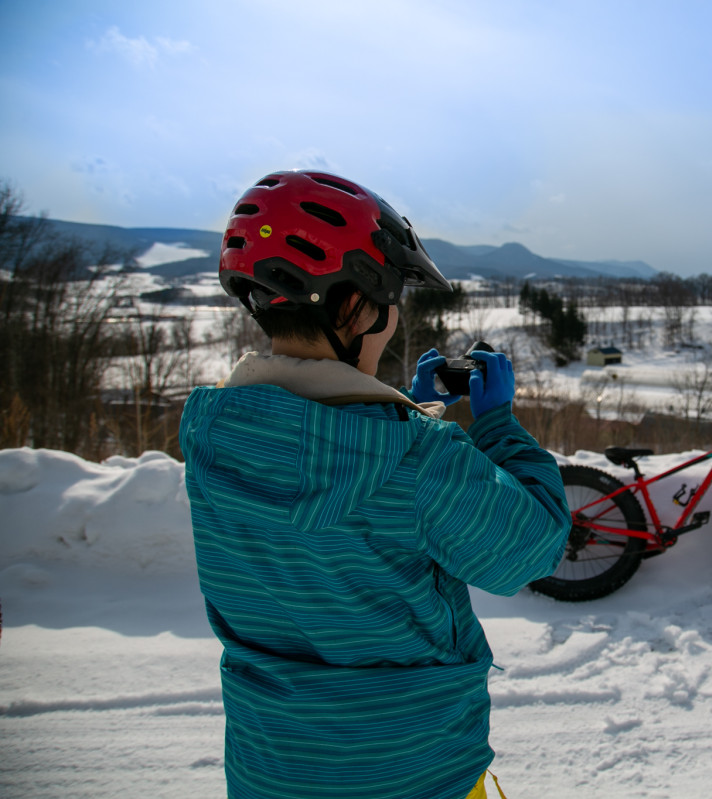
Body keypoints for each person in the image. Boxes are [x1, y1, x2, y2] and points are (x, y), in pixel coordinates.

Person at [179, 169, 570, 799]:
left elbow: (324, 467)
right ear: (357, 305)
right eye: (393, 300)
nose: (392, 319)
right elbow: (532, 548)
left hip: (269, 771)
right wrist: (495, 426)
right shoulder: (415, 459)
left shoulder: (208, 434)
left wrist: (400, 412)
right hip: (414, 772)